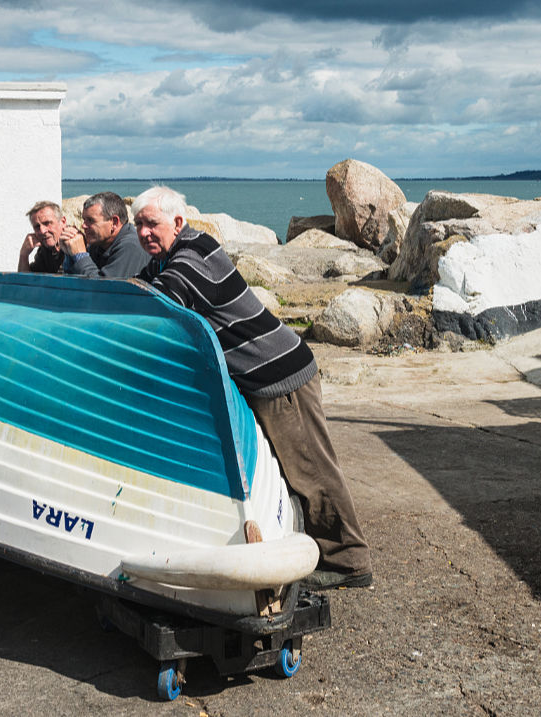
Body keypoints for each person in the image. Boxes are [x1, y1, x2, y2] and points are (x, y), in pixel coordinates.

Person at [132, 186, 372, 590]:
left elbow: (160, 302)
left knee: (312, 471)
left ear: (177, 222)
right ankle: (321, 548)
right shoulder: (175, 254)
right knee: (296, 470)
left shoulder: (191, 258)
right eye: (137, 224)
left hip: (279, 378)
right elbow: (142, 285)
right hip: (264, 377)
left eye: (150, 223)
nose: (142, 233)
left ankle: (350, 563)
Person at [59, 192, 150, 278]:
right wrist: (70, 253)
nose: (83, 225)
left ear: (114, 222)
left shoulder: (131, 246)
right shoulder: (99, 244)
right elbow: (73, 281)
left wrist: (80, 255)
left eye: (90, 220)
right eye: (84, 219)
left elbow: (103, 288)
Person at [18, 201, 67, 273]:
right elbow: (25, 281)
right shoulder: (45, 251)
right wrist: (24, 255)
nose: (42, 231)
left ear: (63, 222)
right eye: (37, 227)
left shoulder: (76, 244)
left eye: (47, 223)